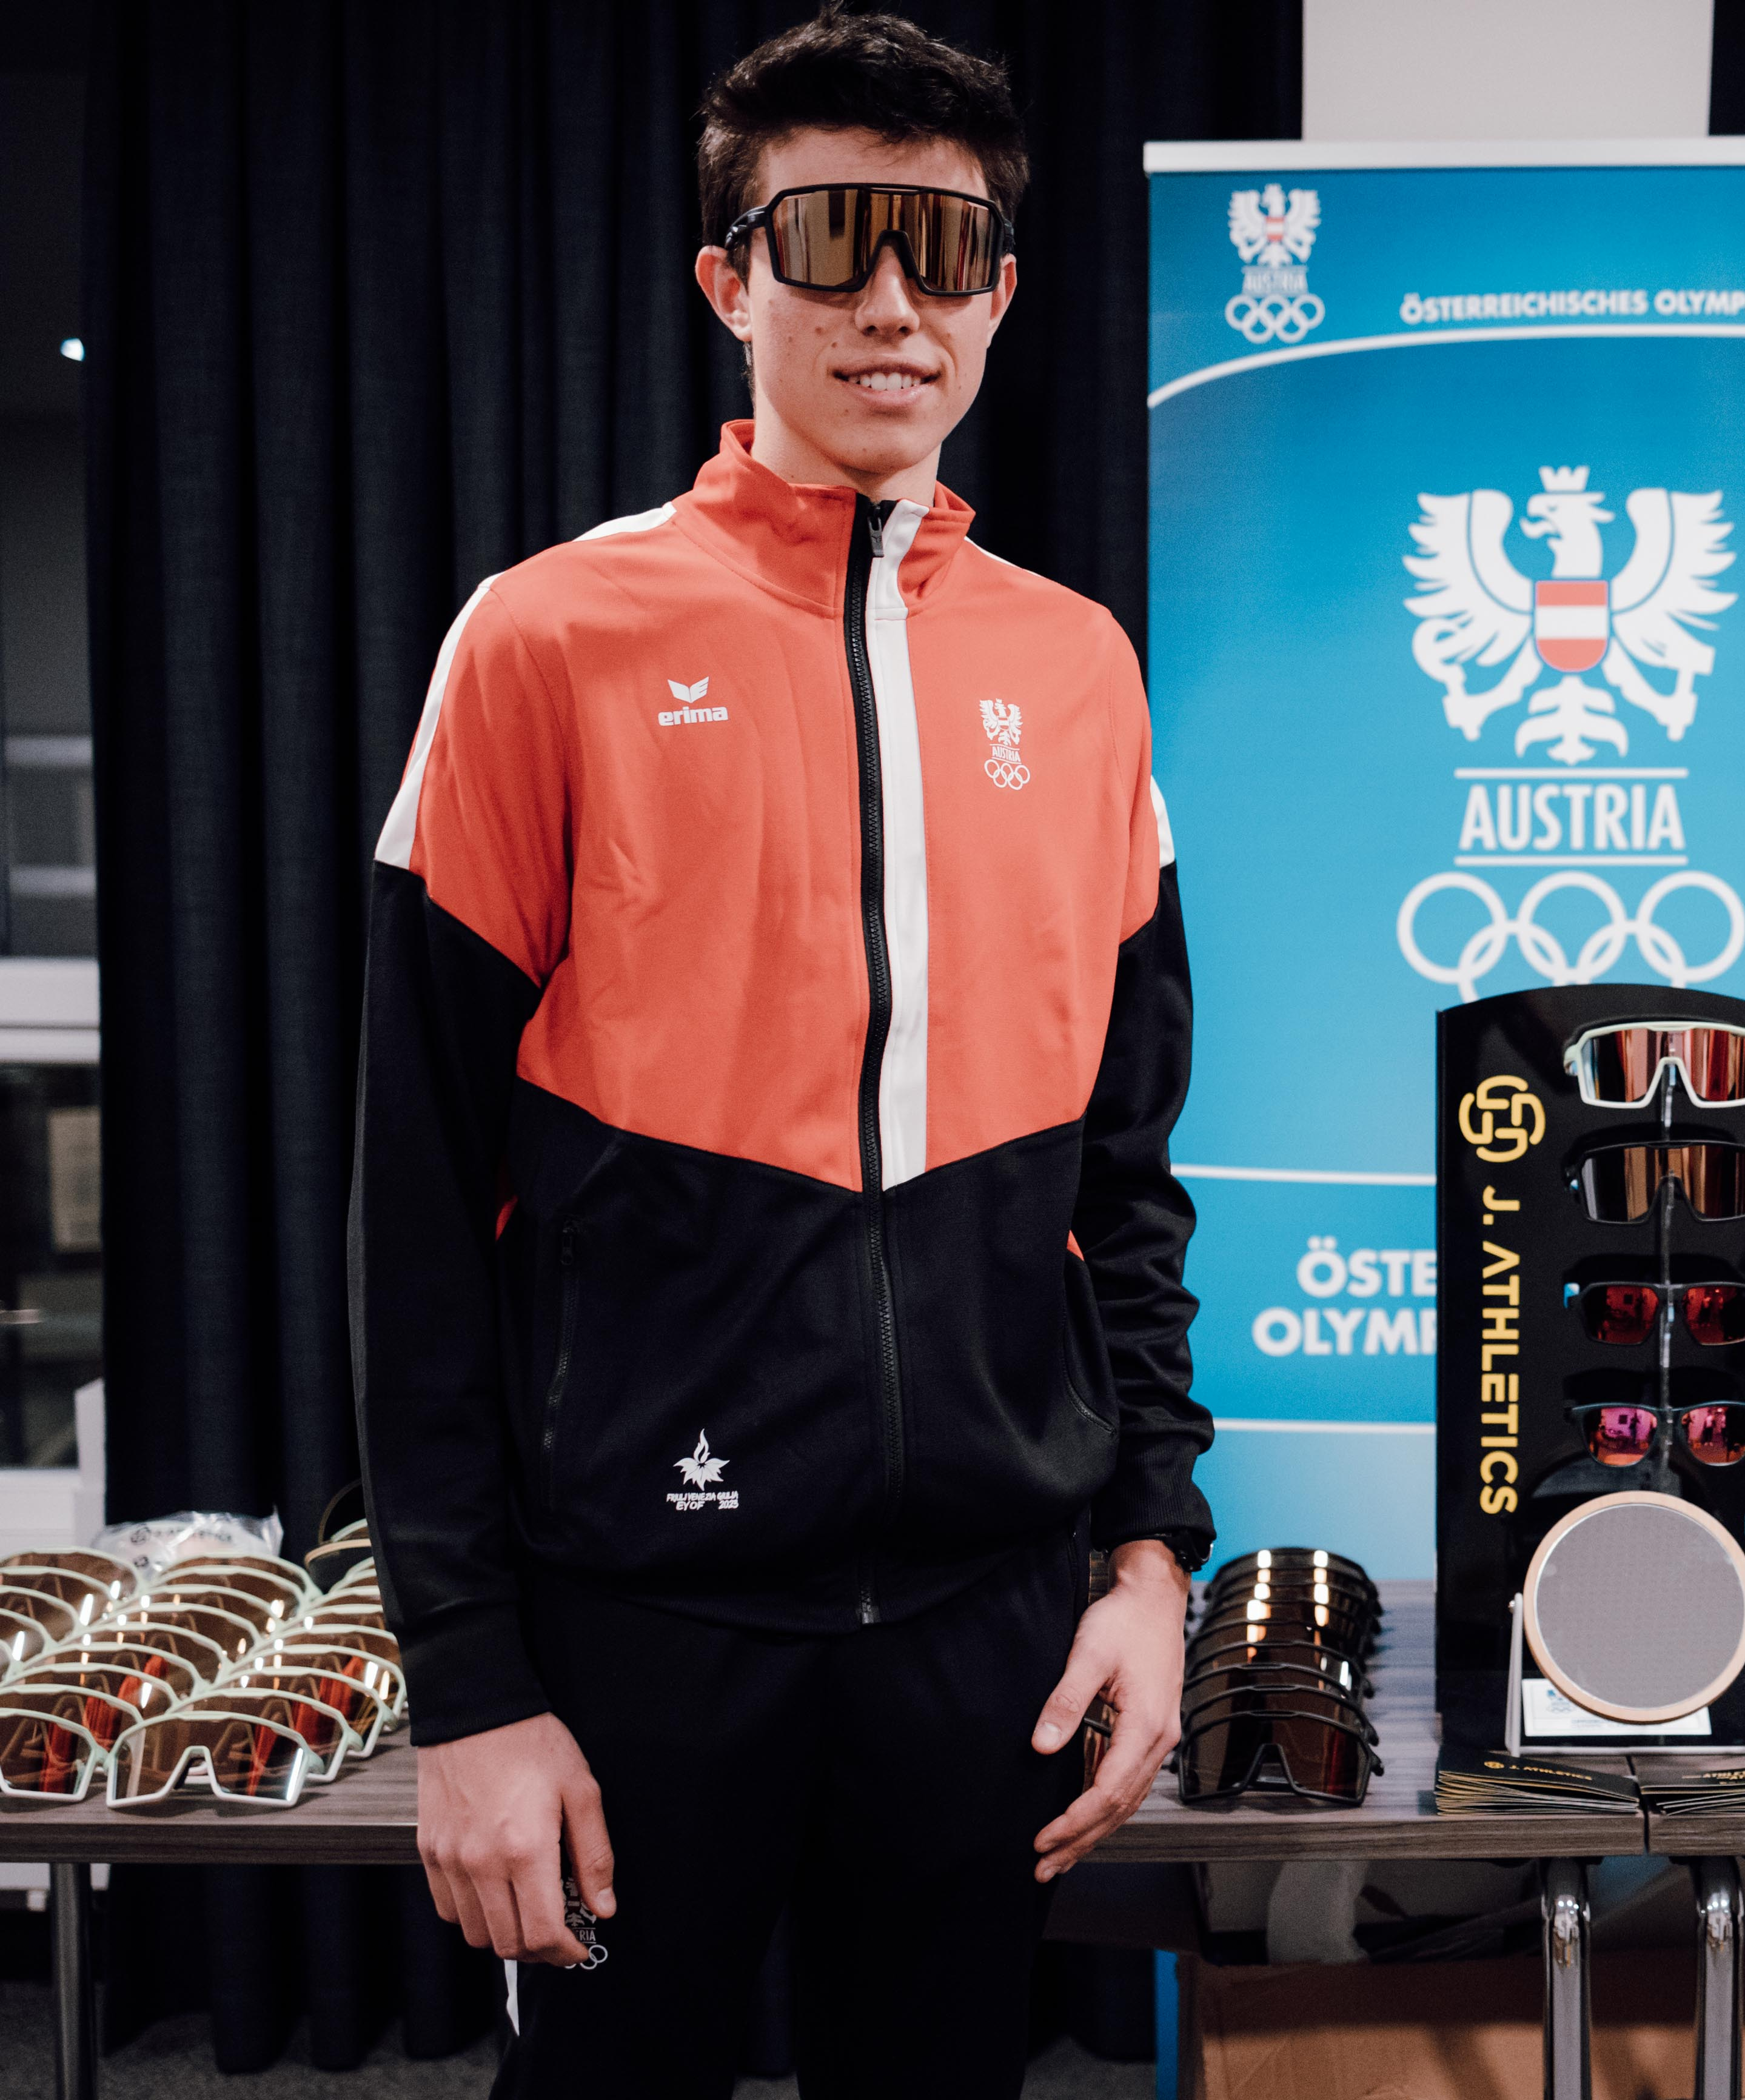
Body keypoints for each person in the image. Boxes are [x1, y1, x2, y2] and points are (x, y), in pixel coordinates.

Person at [349, 15, 1210, 2093]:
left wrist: (1149, 1560)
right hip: (642, 1614)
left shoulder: (1079, 670)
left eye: (945, 247)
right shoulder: (546, 638)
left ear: (1002, 292)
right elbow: (419, 1200)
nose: (892, 303)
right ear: (729, 280)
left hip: (986, 1624)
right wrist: (466, 1681)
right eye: (830, 239)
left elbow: (1123, 1170)